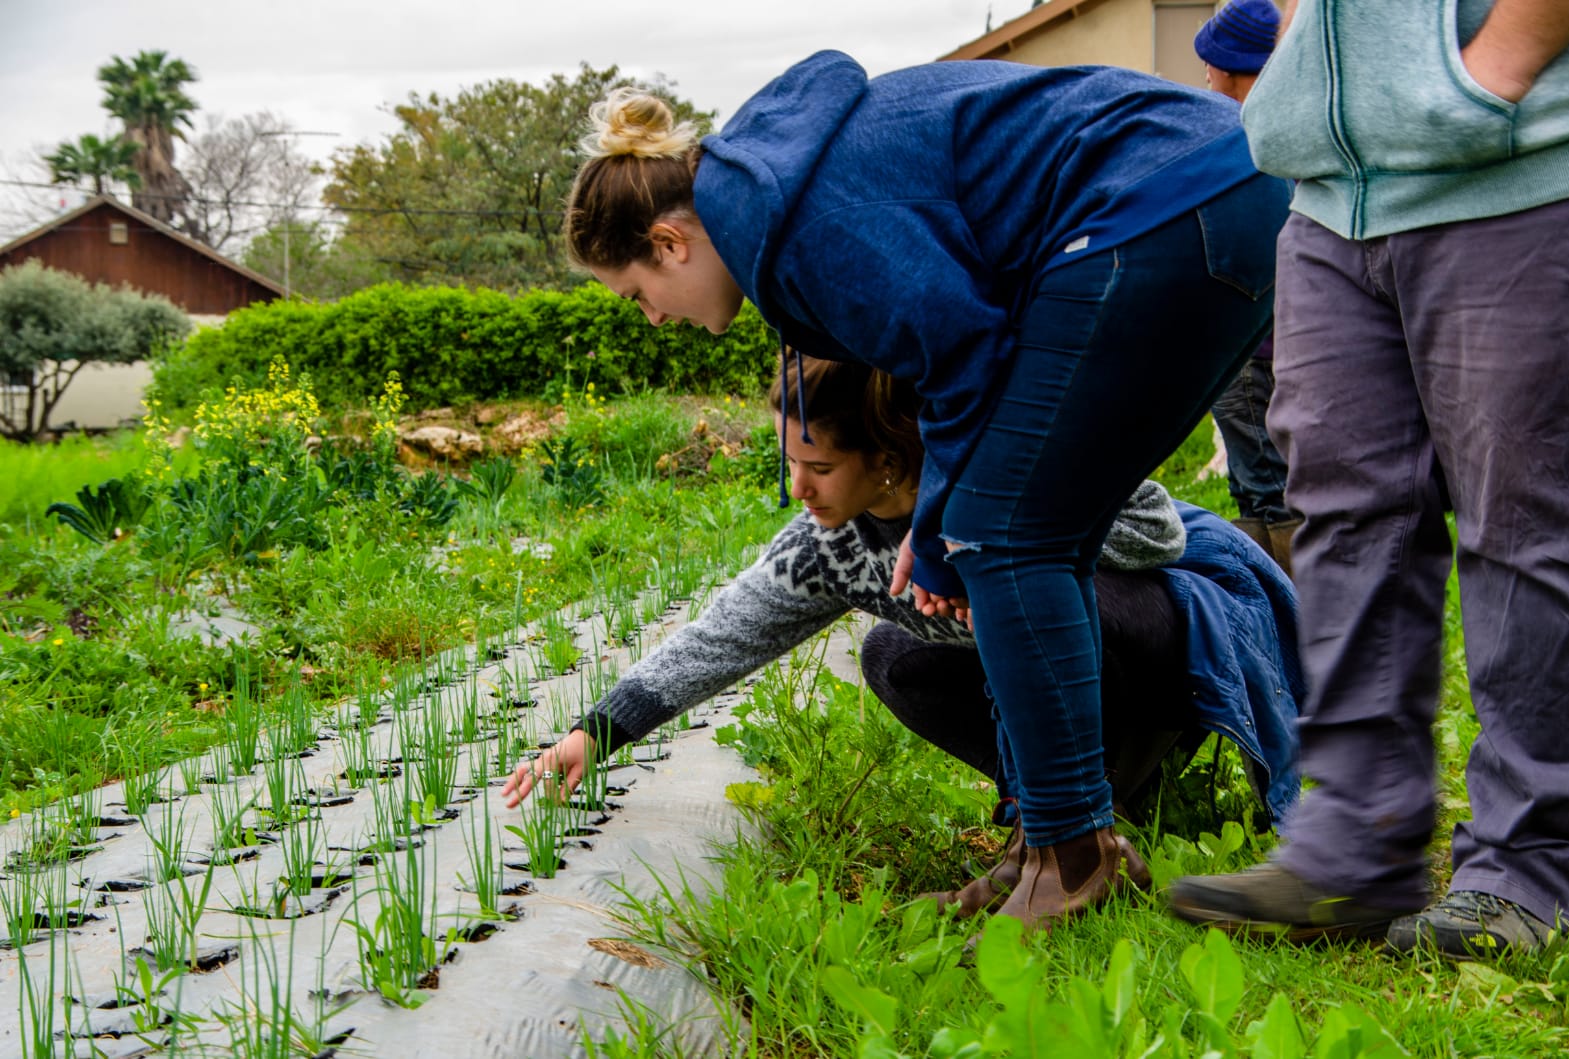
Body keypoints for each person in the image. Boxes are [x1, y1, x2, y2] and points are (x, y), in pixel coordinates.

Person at [558, 52, 1288, 931]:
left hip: (1162, 200)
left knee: (1002, 538)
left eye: (639, 293)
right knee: (1031, 535)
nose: (654, 317)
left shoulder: (799, 226)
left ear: (671, 242)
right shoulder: (785, 198)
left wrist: (939, 539)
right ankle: (1049, 844)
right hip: (1224, 188)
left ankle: (1073, 855)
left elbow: (959, 352)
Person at [503, 358, 1304, 922]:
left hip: (1161, 625)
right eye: (789, 461)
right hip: (1072, 671)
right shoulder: (828, 541)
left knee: (1033, 605)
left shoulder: (1000, 462)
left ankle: (1076, 824)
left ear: (888, 460)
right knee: (892, 657)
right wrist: (593, 731)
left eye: (816, 464)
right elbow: (721, 635)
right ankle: (1099, 801)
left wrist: (998, 550)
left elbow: (1157, 528)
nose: (797, 488)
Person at [1169, 1, 1569, 957]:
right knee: (1342, 518)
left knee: (1526, 524)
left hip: (1520, 169)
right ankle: (1357, 841)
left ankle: (1530, 870)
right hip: (1327, 196)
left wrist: (1493, 67)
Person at [1193, 0, 1297, 576]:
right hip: (1278, 344)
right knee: (1261, 486)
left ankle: (1288, 624)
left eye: (1209, 62)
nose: (1204, 75)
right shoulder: (1289, 128)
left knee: (1268, 492)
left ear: (1229, 66)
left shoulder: (1242, 137)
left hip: (1250, 349)